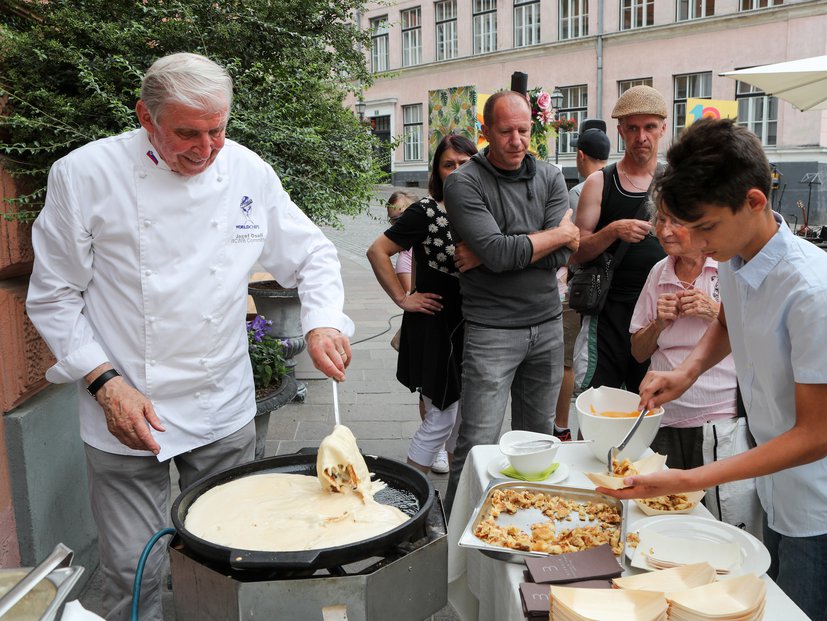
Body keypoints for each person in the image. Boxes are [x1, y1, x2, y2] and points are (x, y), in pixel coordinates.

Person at [25, 53, 354, 621]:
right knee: (134, 567)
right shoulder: (84, 176)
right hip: (127, 403)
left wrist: (324, 318)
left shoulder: (248, 172)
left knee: (227, 554)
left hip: (219, 400)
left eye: (217, 130)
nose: (205, 148)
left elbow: (312, 254)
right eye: (186, 133)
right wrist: (106, 385)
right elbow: (54, 295)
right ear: (145, 118)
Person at [602, 118, 827, 621]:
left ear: (755, 201)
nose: (695, 241)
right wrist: (686, 372)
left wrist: (690, 479)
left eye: (706, 227)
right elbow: (731, 322)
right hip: (777, 473)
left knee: (802, 612)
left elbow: (815, 437)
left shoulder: (816, 291)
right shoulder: (737, 258)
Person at [443, 90, 579, 509]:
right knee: (477, 442)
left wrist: (504, 249)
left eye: (523, 130)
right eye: (506, 131)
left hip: (547, 325)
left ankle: (526, 526)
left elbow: (558, 254)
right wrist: (554, 234)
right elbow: (504, 253)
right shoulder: (463, 182)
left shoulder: (551, 177)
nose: (517, 140)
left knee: (537, 442)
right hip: (491, 330)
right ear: (485, 132)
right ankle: (453, 535)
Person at [629, 202, 762, 538]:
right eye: (660, 220)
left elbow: (758, 337)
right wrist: (658, 323)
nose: (663, 230)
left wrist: (713, 311)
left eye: (675, 220)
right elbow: (637, 351)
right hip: (662, 414)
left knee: (720, 517)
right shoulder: (658, 273)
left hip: (719, 417)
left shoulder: (729, 269)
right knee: (664, 515)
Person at [367, 135, 478, 475]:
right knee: (441, 415)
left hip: (472, 325)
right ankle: (413, 493)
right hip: (437, 325)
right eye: (449, 164)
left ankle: (450, 496)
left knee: (458, 416)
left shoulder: (483, 208)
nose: (457, 170)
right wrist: (403, 298)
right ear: (437, 171)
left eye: (465, 163)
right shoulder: (427, 211)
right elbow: (377, 251)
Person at [571, 85, 667, 392]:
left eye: (650, 127)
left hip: (658, 313)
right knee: (598, 405)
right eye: (633, 128)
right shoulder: (599, 182)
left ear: (663, 129)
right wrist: (613, 230)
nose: (642, 137)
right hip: (609, 312)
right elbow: (578, 252)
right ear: (620, 131)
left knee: (649, 407)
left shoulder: (675, 183)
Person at [553, 124, 611, 441]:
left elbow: (570, 245)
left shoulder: (581, 191)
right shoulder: (616, 182)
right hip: (609, 287)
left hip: (581, 287)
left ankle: (561, 425)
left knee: (567, 361)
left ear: (580, 155)